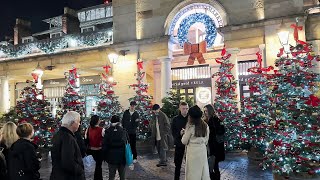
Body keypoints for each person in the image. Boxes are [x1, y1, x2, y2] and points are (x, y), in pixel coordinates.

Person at [50, 111, 85, 180]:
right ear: (73, 122)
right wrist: (80, 170)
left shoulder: (59, 134)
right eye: (78, 122)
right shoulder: (68, 138)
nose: (79, 124)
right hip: (68, 177)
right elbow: (68, 162)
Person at [182, 105, 210, 180]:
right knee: (202, 172)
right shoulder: (205, 126)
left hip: (192, 152)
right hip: (202, 150)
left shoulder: (190, 126)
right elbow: (206, 140)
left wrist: (183, 133)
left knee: (193, 173)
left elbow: (184, 141)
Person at [204, 104, 225, 180]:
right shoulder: (211, 119)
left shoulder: (214, 119)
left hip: (214, 145)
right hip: (213, 145)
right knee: (214, 165)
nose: (205, 112)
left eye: (206, 111)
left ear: (210, 110)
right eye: (204, 111)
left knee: (214, 165)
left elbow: (218, 131)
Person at [102, 115, 127, 180]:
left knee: (111, 176)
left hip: (111, 157)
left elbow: (104, 145)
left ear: (111, 121)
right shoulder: (123, 131)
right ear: (119, 121)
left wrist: (105, 157)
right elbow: (126, 143)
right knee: (122, 176)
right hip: (121, 157)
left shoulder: (107, 131)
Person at [171, 102, 189, 180]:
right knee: (178, 164)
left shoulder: (191, 119)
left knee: (190, 165)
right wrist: (179, 133)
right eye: (183, 109)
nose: (185, 110)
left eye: (186, 108)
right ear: (180, 109)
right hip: (179, 144)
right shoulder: (175, 119)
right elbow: (173, 131)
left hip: (189, 145)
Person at [85, 115, 104, 180]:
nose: (100, 120)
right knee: (98, 167)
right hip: (99, 151)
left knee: (90, 166)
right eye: (99, 119)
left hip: (90, 151)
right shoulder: (102, 130)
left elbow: (86, 139)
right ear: (97, 121)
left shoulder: (88, 129)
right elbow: (105, 140)